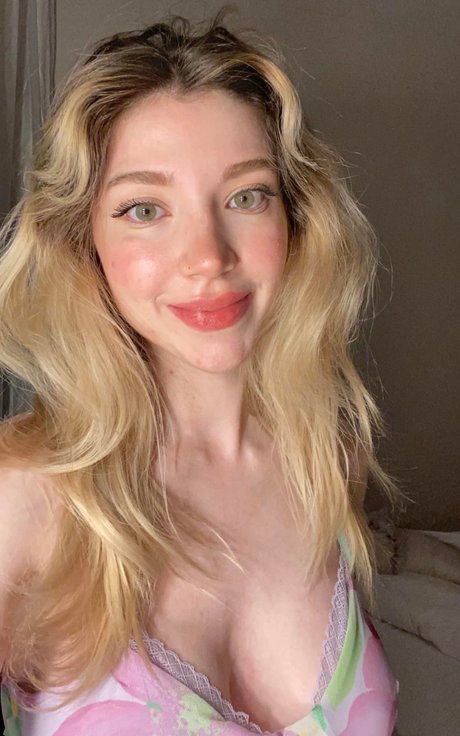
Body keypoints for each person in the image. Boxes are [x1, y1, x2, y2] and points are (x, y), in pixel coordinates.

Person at [0, 10, 401, 736]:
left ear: (296, 221)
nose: (209, 256)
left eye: (247, 196)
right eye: (144, 209)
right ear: (83, 241)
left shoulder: (328, 459)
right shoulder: (25, 497)